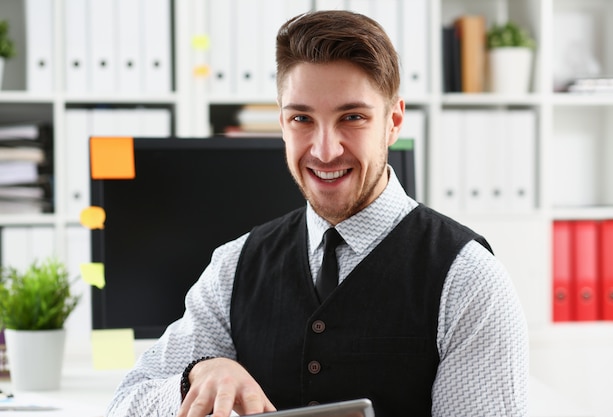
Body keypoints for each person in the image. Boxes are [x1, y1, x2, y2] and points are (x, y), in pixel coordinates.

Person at [106, 9, 529, 417]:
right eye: (302, 119)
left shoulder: (468, 281)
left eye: (352, 117)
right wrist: (195, 375)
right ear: (282, 123)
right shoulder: (233, 268)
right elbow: (124, 404)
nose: (325, 150)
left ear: (393, 121)